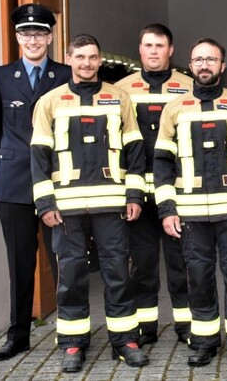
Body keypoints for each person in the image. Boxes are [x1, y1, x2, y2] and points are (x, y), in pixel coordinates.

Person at [31, 34, 148, 373]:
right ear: (69, 59)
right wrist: (45, 202)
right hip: (65, 208)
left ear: (100, 60)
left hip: (111, 206)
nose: (86, 63)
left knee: (117, 274)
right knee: (71, 276)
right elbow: (38, 157)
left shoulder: (119, 98)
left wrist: (134, 194)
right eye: (80, 56)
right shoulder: (50, 102)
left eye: (92, 57)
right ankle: (71, 344)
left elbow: (135, 151)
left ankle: (125, 340)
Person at [154, 38, 227, 368]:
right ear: (190, 66)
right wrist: (167, 209)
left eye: (211, 59)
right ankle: (204, 341)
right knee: (198, 277)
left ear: (222, 66)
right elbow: (162, 163)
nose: (205, 65)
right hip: (190, 215)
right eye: (199, 60)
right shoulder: (174, 109)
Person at [0, 3, 70, 361]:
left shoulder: (66, 75)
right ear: (17, 37)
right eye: (25, 33)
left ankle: (71, 333)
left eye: (39, 33)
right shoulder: (1, 76)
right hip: (15, 184)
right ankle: (18, 334)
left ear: (50, 37)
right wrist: (17, 155)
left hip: (60, 182)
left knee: (67, 259)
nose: (32, 39)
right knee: (20, 263)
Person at [114, 23, 192, 347]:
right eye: (148, 46)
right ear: (140, 48)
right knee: (143, 264)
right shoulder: (120, 90)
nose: (154, 52)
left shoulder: (189, 87)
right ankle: (146, 327)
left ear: (171, 50)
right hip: (139, 194)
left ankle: (187, 327)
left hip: (175, 192)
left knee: (181, 263)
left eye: (160, 46)